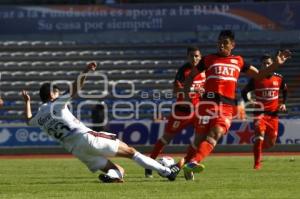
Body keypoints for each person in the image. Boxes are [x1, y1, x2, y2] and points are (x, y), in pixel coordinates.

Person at [21, 61, 179, 183]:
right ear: (51, 94)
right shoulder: (56, 104)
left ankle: (112, 176)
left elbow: (28, 121)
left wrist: (27, 102)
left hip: (76, 150)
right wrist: (85, 71)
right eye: (57, 91)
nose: (59, 92)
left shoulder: (40, 117)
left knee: (119, 170)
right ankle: (167, 172)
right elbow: (75, 88)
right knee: (131, 152)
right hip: (86, 138)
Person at [170, 30, 291, 180]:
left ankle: (193, 163)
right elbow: (191, 77)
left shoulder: (239, 61)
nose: (221, 45)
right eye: (219, 42)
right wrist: (188, 97)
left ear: (233, 45)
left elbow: (259, 75)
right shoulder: (207, 59)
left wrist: (276, 65)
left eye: (225, 42)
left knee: (216, 133)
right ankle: (185, 166)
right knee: (198, 141)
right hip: (207, 104)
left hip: (226, 106)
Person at [145, 46, 206, 179]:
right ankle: (149, 165)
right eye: (191, 56)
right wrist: (194, 91)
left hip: (197, 112)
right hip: (181, 112)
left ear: (200, 57)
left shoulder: (204, 70)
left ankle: (188, 166)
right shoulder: (183, 71)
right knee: (166, 139)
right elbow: (175, 91)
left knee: (200, 140)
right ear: (187, 57)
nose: (194, 58)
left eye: (196, 56)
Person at [241, 54, 288, 170]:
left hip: (273, 115)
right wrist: (248, 101)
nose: (266, 65)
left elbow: (285, 90)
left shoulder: (279, 78)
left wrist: (283, 103)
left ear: (273, 64)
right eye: (264, 64)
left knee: (271, 143)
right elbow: (244, 91)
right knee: (259, 137)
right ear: (261, 66)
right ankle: (257, 164)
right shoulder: (256, 78)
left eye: (268, 63)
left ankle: (258, 151)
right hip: (259, 113)